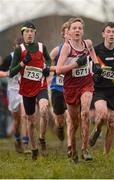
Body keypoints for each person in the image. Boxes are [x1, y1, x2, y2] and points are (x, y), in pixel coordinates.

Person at [56, 17, 99, 162]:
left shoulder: (88, 43)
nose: (77, 30)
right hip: (70, 87)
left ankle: (85, 149)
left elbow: (92, 53)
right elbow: (58, 70)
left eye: (79, 28)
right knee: (74, 123)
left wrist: (96, 63)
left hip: (86, 84)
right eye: (74, 28)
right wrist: (75, 64)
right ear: (70, 31)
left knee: (85, 113)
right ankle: (73, 149)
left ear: (83, 31)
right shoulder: (67, 48)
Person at [9, 21, 54, 160]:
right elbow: (11, 72)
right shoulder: (19, 50)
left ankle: (42, 139)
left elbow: (48, 58)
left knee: (44, 109)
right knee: (31, 120)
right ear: (23, 34)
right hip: (26, 89)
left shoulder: (41, 47)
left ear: (35, 33)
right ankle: (34, 148)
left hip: (40, 86)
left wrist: (47, 67)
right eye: (26, 31)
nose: (29, 34)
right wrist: (23, 63)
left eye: (31, 31)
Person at [88, 22, 114, 155]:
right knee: (102, 115)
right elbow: (89, 67)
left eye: (113, 32)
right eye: (108, 31)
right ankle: (97, 130)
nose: (111, 34)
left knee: (112, 123)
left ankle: (106, 155)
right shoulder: (96, 50)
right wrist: (94, 73)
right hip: (100, 89)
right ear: (103, 34)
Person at [0, 37, 30, 153]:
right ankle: (17, 138)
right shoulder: (10, 58)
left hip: (25, 90)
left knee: (25, 116)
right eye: (19, 48)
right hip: (13, 90)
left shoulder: (30, 57)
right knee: (16, 120)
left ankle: (26, 144)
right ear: (15, 48)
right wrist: (8, 73)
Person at [49, 21, 72, 156]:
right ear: (63, 34)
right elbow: (47, 61)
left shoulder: (78, 49)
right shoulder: (57, 49)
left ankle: (70, 146)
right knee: (60, 118)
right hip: (57, 88)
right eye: (67, 32)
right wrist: (51, 71)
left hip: (71, 88)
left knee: (70, 117)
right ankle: (59, 127)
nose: (69, 34)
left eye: (71, 31)